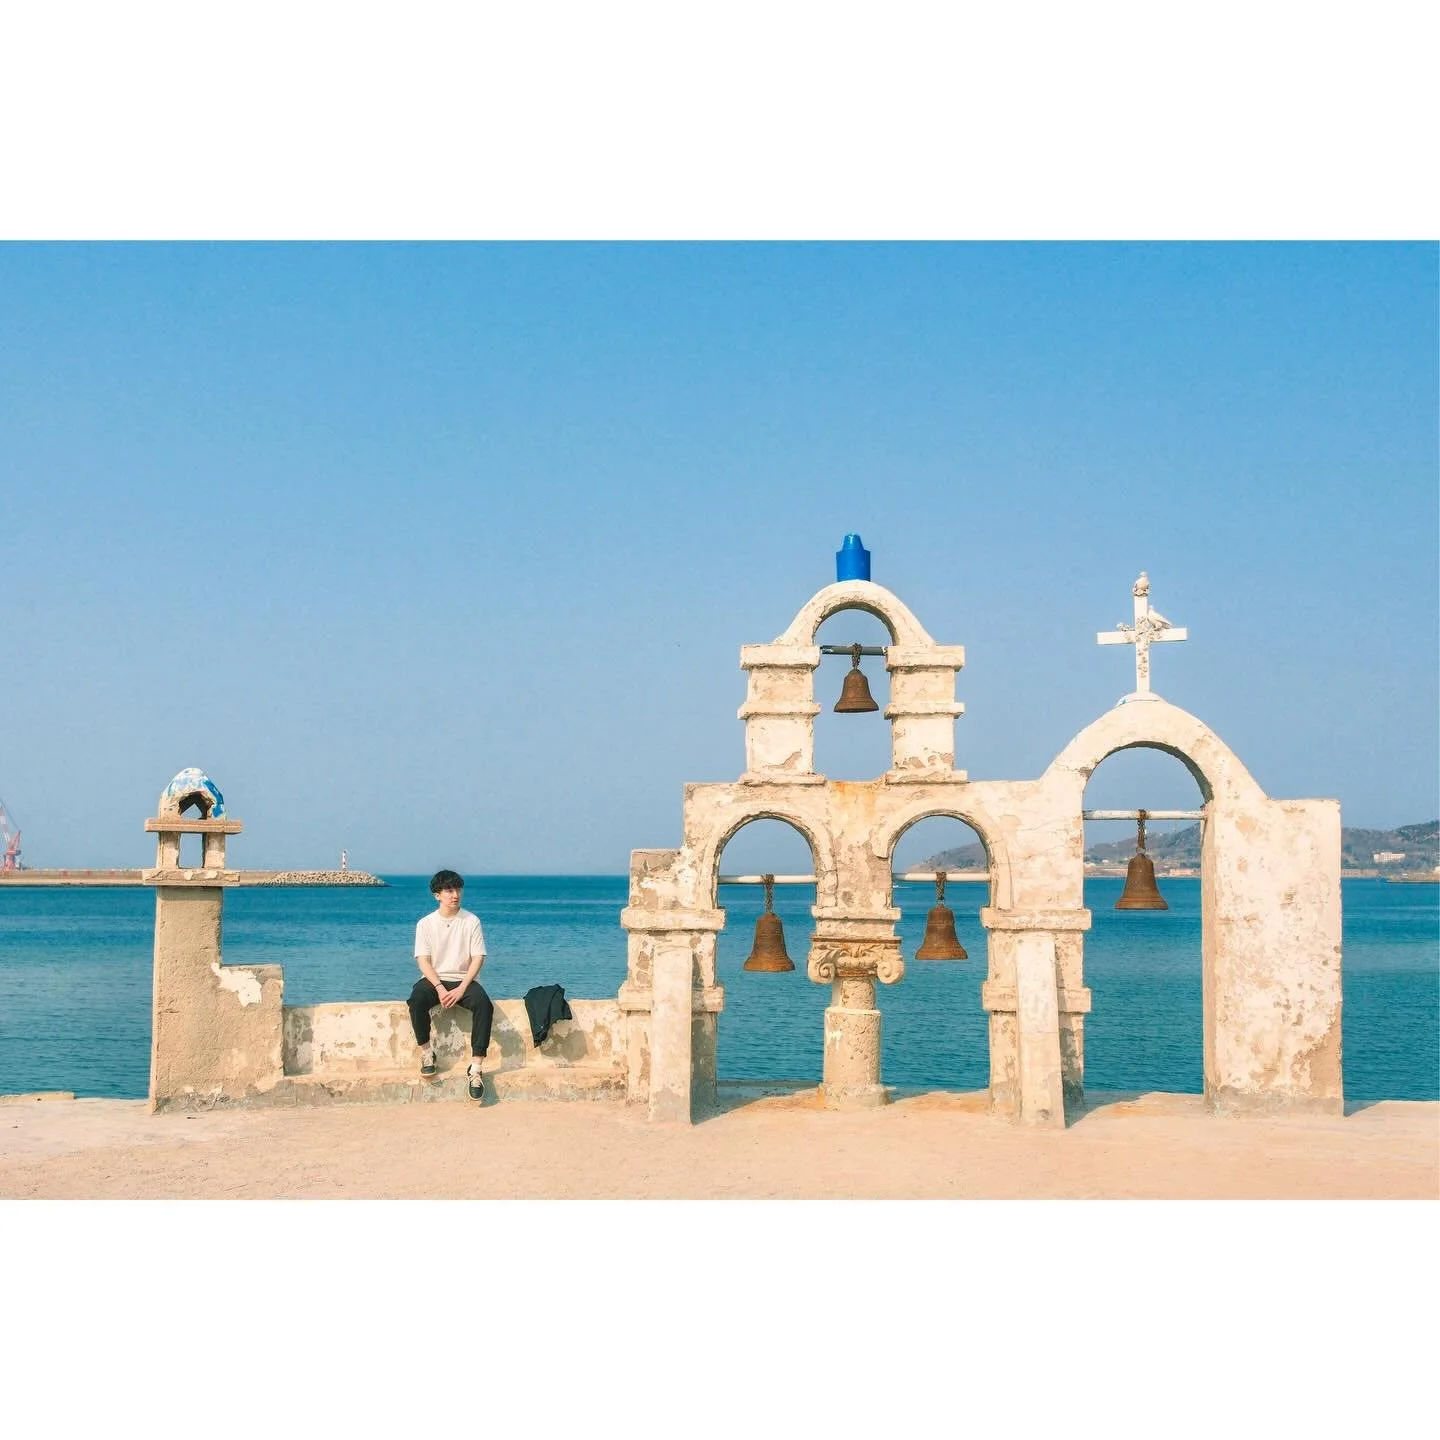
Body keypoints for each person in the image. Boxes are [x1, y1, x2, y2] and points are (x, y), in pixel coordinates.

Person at [408, 869, 493, 1100]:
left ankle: (476, 1068)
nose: (455, 895)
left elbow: (478, 958)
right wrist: (439, 987)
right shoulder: (425, 924)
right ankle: (427, 1053)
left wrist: (462, 988)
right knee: (416, 999)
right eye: (449, 890)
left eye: (458, 889)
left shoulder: (471, 921)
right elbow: (423, 961)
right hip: (434, 979)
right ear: (437, 895)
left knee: (484, 1004)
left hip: (464, 979)